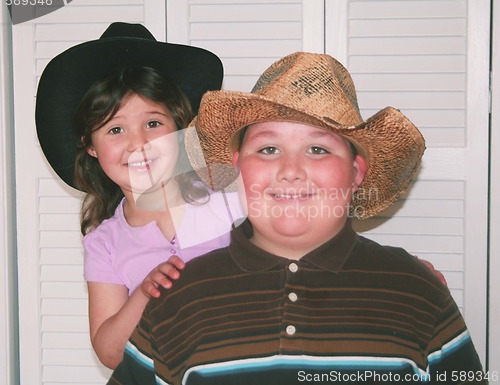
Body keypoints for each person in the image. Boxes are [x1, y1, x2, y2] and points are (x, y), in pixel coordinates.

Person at [107, 52, 486, 384]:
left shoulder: (416, 290)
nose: (291, 170)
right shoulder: (179, 299)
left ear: (356, 173)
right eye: (269, 148)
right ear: (237, 168)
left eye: (318, 149)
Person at [35, 22, 244, 369]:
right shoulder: (104, 244)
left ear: (180, 127)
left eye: (153, 123)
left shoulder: (230, 202)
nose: (138, 143)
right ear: (90, 146)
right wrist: (143, 295)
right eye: (115, 129)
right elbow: (109, 352)